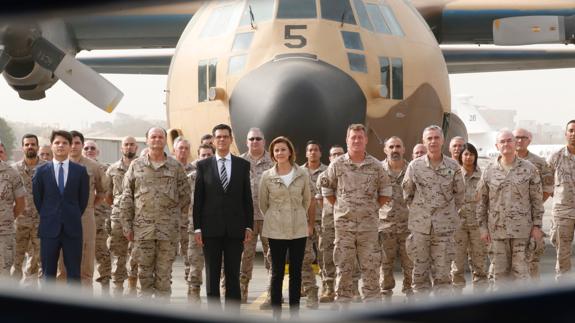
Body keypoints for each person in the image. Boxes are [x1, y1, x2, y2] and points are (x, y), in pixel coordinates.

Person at [321, 124, 391, 307]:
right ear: (347, 140)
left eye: (360, 137)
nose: (357, 140)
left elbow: (386, 191)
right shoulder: (337, 164)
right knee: (343, 269)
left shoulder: (376, 166)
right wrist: (339, 206)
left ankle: (372, 311)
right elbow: (326, 188)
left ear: (366, 140)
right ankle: (343, 309)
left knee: (371, 270)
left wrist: (372, 208)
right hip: (344, 228)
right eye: (353, 137)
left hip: (368, 229)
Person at [120, 127, 190, 299]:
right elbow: (127, 197)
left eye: (160, 137)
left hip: (168, 233)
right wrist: (126, 226)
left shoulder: (175, 167)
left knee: (164, 277)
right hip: (142, 232)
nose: (157, 140)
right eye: (153, 137)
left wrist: (173, 220)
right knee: (143, 277)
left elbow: (185, 196)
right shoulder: (136, 166)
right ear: (147, 140)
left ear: (165, 140)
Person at [193, 124, 253, 311]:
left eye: (225, 136)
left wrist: (249, 226)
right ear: (213, 140)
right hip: (210, 229)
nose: (221, 140)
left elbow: (247, 198)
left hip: (235, 230)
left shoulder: (243, 165)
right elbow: (199, 200)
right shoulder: (203, 166)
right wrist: (197, 228)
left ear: (231, 139)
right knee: (211, 275)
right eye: (218, 137)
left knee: (233, 274)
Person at [402, 125, 464, 297]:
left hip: (444, 229)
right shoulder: (414, 166)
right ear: (424, 141)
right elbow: (407, 194)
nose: (433, 141)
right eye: (429, 138)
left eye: (436, 138)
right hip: (420, 228)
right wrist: (421, 213)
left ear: (443, 140)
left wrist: (445, 214)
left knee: (443, 274)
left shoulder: (453, 166)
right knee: (420, 274)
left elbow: (459, 195)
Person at [477, 130, 544, 287]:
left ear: (515, 144)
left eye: (509, 140)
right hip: (497, 232)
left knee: (521, 275)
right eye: (502, 141)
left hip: (523, 232)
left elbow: (537, 200)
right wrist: (483, 229)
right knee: (499, 276)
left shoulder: (530, 169)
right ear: (497, 146)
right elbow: (481, 202)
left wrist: (537, 226)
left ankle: (522, 310)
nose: (506, 144)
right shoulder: (488, 171)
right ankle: (499, 311)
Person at [259, 136, 311, 319]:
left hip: (298, 228)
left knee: (296, 272)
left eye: (283, 149)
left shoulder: (302, 174)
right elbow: (263, 204)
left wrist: (296, 215)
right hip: (276, 229)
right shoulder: (267, 176)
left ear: (290, 152)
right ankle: (276, 314)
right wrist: (277, 217)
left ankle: (295, 313)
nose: (280, 153)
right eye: (276, 150)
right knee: (277, 272)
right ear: (273, 154)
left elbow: (307, 201)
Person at [32, 130, 90, 283]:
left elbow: (82, 201)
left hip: (73, 229)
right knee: (47, 275)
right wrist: (51, 214)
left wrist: (70, 214)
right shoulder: (41, 172)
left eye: (65, 143)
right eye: (57, 142)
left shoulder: (80, 171)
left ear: (71, 146)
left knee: (74, 274)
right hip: (49, 229)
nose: (60, 145)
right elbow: (39, 201)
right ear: (51, 146)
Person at [58, 131, 107, 288]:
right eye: (69, 142)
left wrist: (89, 205)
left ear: (82, 145)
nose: (73, 146)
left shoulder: (94, 166)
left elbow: (102, 191)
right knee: (62, 263)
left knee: (85, 264)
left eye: (77, 143)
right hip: (62, 218)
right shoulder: (57, 165)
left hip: (85, 218)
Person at [513, 128, 554, 280]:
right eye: (516, 137)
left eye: (523, 138)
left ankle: (533, 295)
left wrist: (534, 204)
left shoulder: (539, 162)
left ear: (529, 140)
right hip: (507, 219)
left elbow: (549, 188)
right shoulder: (503, 160)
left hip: (531, 217)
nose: (519, 140)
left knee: (533, 256)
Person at [239, 128, 273, 304]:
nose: (254, 142)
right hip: (247, 219)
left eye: (258, 138)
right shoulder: (239, 162)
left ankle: (272, 293)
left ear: (264, 141)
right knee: (245, 257)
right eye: (251, 139)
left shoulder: (274, 161)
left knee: (273, 257)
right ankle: (242, 291)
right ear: (246, 141)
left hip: (269, 218)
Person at [379, 136, 413, 300]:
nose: (395, 150)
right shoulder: (377, 170)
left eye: (398, 147)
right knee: (385, 264)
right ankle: (386, 295)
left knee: (411, 263)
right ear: (385, 150)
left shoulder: (413, 169)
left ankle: (410, 294)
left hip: (409, 226)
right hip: (385, 227)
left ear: (404, 149)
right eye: (391, 147)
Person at [450, 143, 488, 292]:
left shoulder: (483, 174)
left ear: (475, 156)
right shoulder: (454, 174)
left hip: (477, 225)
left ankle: (480, 298)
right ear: (460, 156)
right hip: (458, 224)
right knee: (457, 263)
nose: (468, 157)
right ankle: (457, 297)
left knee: (479, 262)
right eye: (465, 154)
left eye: (471, 154)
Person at [106, 136, 139, 295]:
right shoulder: (112, 169)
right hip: (118, 217)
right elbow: (107, 196)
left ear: (136, 148)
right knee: (119, 253)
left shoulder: (142, 167)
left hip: (139, 216)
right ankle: (118, 287)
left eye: (132, 145)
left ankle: (133, 285)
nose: (129, 147)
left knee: (136, 253)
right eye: (126, 145)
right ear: (121, 148)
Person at [12, 134, 45, 282]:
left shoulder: (47, 168)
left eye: (33, 144)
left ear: (38, 147)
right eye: (27, 144)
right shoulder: (13, 170)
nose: (30, 147)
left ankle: (40, 300)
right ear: (22, 147)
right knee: (14, 261)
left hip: (41, 224)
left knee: (43, 262)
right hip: (19, 223)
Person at [187, 144, 215, 303]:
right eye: (203, 155)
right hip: (195, 228)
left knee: (218, 265)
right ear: (197, 158)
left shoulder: (219, 177)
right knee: (195, 265)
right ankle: (194, 295)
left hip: (215, 228)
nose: (205, 158)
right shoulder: (190, 178)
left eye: (209, 155)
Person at [547, 120, 575, 281]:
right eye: (570, 130)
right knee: (562, 256)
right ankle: (564, 297)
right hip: (563, 214)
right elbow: (546, 182)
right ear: (566, 134)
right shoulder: (556, 157)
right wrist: (560, 197)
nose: (574, 134)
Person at [83, 140, 112, 291]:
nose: (89, 150)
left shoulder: (106, 169)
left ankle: (106, 289)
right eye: (86, 148)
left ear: (98, 152)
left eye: (92, 148)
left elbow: (110, 193)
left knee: (103, 255)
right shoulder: (75, 168)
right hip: (81, 220)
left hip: (101, 220)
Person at [316, 145, 344, 303]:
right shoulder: (323, 176)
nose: (337, 157)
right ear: (329, 158)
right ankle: (328, 288)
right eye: (334, 154)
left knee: (348, 256)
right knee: (326, 255)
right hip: (328, 222)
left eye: (340, 154)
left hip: (347, 223)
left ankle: (351, 288)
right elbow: (319, 200)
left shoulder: (350, 173)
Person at [300, 140, 326, 309]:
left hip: (324, 220)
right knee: (304, 257)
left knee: (325, 257)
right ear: (306, 153)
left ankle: (327, 288)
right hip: (303, 222)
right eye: (310, 150)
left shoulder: (328, 171)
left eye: (316, 150)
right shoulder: (299, 172)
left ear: (320, 153)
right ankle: (308, 288)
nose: (313, 152)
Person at [172, 137, 195, 288]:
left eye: (186, 148)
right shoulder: (168, 168)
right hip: (170, 221)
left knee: (190, 257)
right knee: (166, 256)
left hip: (188, 220)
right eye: (181, 148)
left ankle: (191, 288)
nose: (184, 151)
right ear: (174, 150)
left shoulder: (195, 171)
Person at [0, 144, 25, 277]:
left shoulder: (11, 173)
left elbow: (20, 204)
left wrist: (7, 219)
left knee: (3, 276)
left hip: (4, 234)